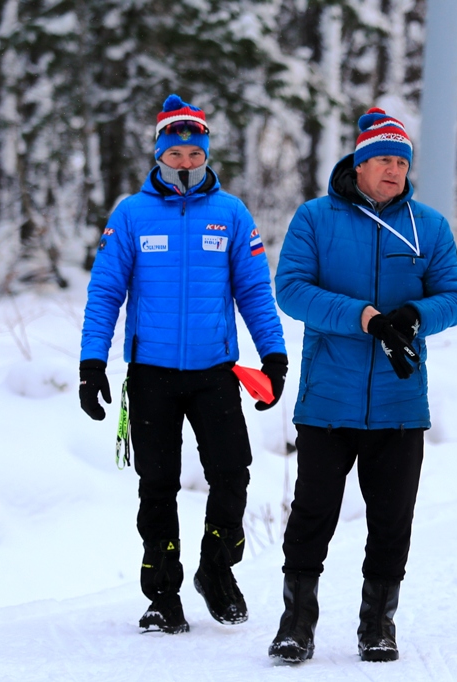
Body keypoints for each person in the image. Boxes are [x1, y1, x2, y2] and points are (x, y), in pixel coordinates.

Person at [79, 94, 288, 635]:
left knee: (232, 473)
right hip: (150, 375)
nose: (186, 162)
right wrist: (92, 362)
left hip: (214, 371)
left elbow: (254, 292)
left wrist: (274, 353)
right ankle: (162, 596)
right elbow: (105, 293)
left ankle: (216, 570)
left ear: (206, 155)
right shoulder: (131, 214)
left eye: (195, 153)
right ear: (159, 155)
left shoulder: (231, 214)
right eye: (176, 153)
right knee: (158, 483)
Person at [268, 107, 457, 663]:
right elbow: (291, 290)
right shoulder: (315, 219)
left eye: (401, 162)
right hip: (327, 400)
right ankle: (296, 623)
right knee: (312, 515)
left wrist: (412, 316)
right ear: (358, 165)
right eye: (383, 159)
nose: (394, 170)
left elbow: (456, 296)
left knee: (391, 519)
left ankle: (378, 624)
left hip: (400, 404)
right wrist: (363, 317)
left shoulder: (428, 225)